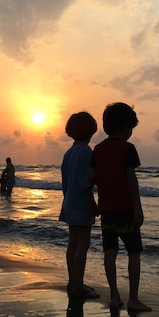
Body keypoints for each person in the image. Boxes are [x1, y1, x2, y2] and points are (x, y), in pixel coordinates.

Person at [89, 102, 151, 312]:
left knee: (110, 252)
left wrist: (105, 180)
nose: (131, 133)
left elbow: (91, 177)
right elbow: (131, 179)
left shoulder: (97, 149)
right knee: (133, 253)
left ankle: (114, 296)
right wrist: (138, 208)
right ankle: (133, 299)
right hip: (125, 208)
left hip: (106, 209)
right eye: (131, 128)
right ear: (125, 126)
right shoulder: (128, 148)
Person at [59, 111, 100, 299]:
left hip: (69, 201)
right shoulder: (85, 151)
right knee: (82, 244)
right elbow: (84, 181)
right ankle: (77, 285)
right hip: (81, 202)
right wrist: (92, 203)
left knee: (73, 243)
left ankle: (73, 281)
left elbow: (66, 181)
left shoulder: (69, 152)